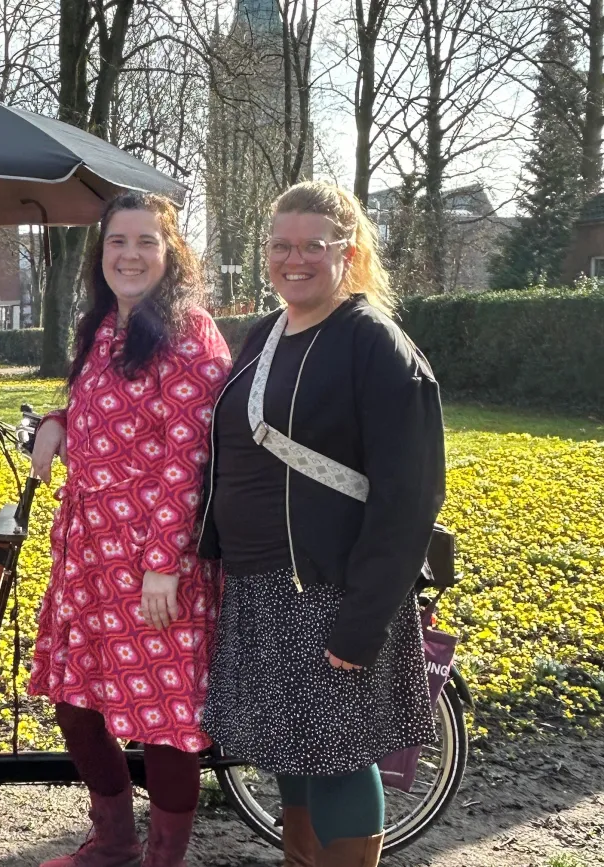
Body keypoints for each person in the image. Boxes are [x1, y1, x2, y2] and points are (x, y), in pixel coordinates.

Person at [199, 180, 445, 867]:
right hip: (263, 584)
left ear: (350, 249)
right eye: (281, 245)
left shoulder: (376, 345)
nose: (294, 258)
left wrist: (363, 620)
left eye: (314, 245)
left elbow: (411, 497)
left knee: (336, 753)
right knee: (291, 746)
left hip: (332, 590)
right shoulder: (266, 332)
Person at [29, 192, 232, 867]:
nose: (131, 254)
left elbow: (189, 457)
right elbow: (94, 405)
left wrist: (162, 562)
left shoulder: (189, 332)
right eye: (119, 241)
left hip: (154, 562)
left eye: (147, 240)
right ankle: (113, 837)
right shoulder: (100, 327)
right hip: (86, 555)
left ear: (169, 252)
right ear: (102, 253)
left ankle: (162, 857)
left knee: (166, 717)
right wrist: (58, 421)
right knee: (74, 699)